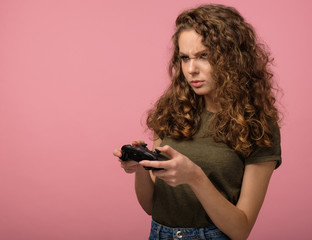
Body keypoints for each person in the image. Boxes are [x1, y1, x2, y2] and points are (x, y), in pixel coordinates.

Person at [113, 4, 281, 240]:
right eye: (184, 58)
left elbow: (240, 230)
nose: (191, 70)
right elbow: (152, 206)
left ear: (234, 58)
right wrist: (141, 167)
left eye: (204, 56)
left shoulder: (258, 125)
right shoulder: (170, 111)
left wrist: (195, 177)